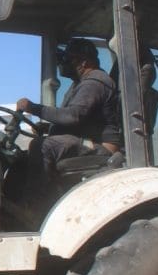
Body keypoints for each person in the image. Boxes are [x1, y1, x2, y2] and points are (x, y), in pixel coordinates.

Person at [15, 38, 123, 208]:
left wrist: (33, 108)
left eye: (67, 60)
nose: (62, 65)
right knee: (22, 159)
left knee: (41, 146)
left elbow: (73, 116)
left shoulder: (94, 82)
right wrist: (48, 127)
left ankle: (35, 208)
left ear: (84, 62)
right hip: (86, 139)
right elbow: (78, 118)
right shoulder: (82, 83)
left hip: (100, 146)